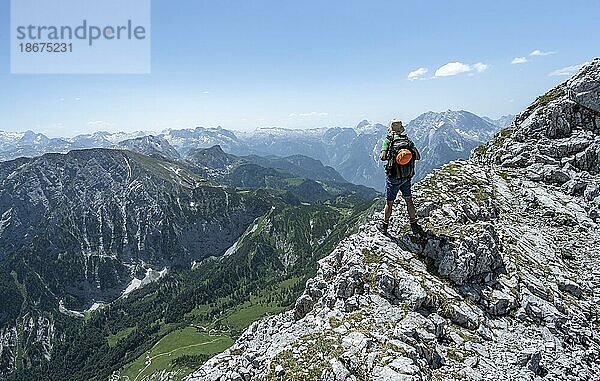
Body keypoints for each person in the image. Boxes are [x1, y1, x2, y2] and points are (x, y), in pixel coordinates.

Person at [377, 119, 425, 236]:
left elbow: (383, 157)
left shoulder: (388, 140)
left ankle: (385, 225)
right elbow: (417, 156)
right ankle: (413, 223)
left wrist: (386, 155)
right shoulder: (408, 141)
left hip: (393, 176)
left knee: (390, 202)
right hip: (406, 176)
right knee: (408, 199)